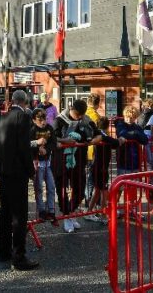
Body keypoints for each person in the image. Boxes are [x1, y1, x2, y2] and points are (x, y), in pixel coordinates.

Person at [0, 89, 38, 269]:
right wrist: (31, 170)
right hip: (17, 172)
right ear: (25, 102)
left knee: (5, 212)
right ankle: (19, 256)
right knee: (19, 215)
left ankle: (4, 251)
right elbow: (24, 148)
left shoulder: (2, 118)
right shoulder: (23, 118)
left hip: (3, 170)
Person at [52, 98, 102, 233]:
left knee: (80, 189)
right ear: (72, 110)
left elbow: (98, 134)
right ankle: (67, 215)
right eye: (77, 115)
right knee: (62, 190)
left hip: (79, 160)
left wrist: (93, 141)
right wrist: (65, 140)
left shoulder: (86, 119)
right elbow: (51, 138)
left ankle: (71, 212)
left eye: (82, 115)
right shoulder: (59, 120)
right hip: (61, 161)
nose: (80, 118)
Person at [85, 116, 119, 223]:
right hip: (100, 167)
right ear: (107, 125)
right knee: (103, 191)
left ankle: (89, 211)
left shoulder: (102, 135)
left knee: (98, 191)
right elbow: (113, 142)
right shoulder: (102, 135)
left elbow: (113, 144)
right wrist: (119, 140)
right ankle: (104, 215)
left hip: (99, 166)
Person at [29, 107, 57, 221]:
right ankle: (41, 210)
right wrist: (37, 148)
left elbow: (53, 142)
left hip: (47, 162)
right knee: (39, 188)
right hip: (37, 163)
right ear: (34, 120)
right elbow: (27, 145)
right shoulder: (32, 130)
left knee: (51, 187)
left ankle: (51, 210)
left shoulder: (49, 128)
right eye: (39, 119)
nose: (43, 121)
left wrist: (47, 149)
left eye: (44, 118)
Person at [115, 106, 148, 175]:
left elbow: (145, 140)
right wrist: (136, 135)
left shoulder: (137, 127)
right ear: (124, 116)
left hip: (135, 161)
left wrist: (134, 134)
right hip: (123, 160)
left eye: (131, 117)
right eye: (127, 117)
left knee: (135, 183)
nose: (129, 119)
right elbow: (122, 134)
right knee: (124, 183)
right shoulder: (120, 125)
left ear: (135, 117)